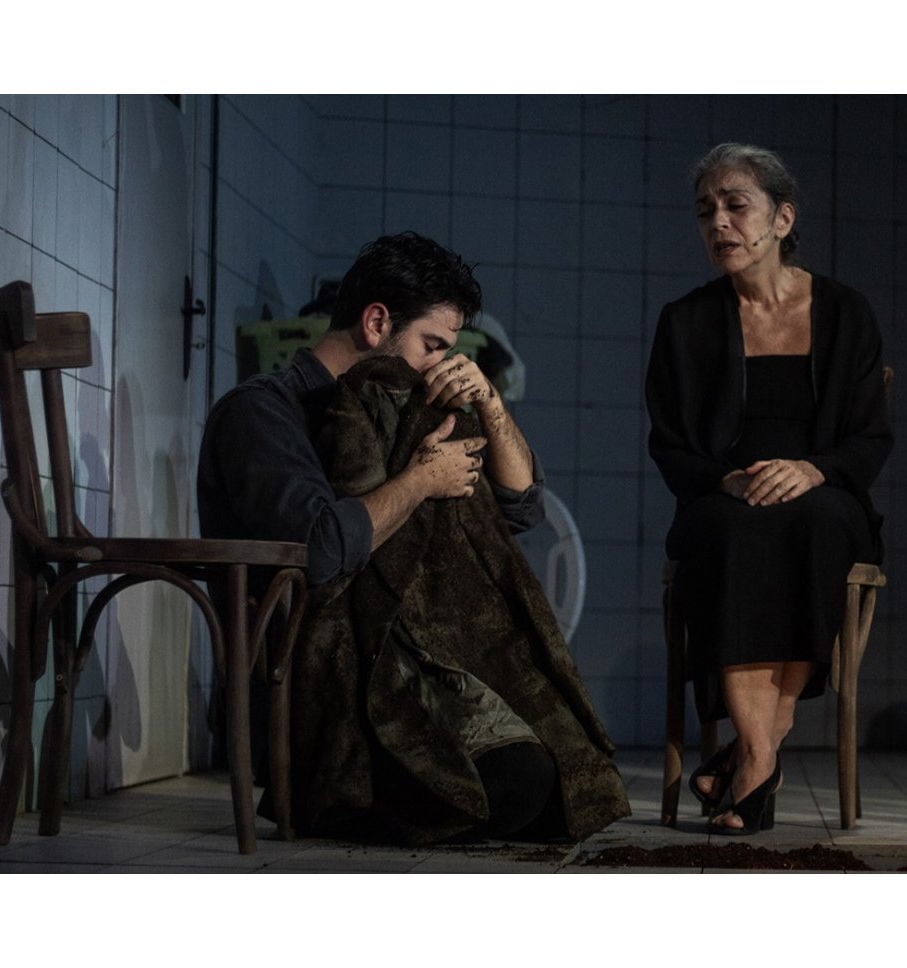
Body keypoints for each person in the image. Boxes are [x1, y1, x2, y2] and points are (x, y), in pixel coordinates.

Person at [198, 232, 629, 844]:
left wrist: (490, 403)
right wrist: (423, 480)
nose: (440, 365)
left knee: (550, 777)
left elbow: (521, 507)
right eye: (433, 345)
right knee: (511, 788)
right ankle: (339, 801)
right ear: (376, 322)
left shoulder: (400, 413)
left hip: (409, 663)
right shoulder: (263, 413)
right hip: (319, 685)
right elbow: (321, 549)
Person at [645, 144, 892, 834]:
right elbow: (669, 444)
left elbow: (870, 438)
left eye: (735, 205)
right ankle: (758, 758)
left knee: (813, 522)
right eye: (706, 211)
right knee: (733, 527)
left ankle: (750, 759)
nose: (718, 222)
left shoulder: (846, 314)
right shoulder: (686, 321)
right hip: (721, 497)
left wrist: (813, 469)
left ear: (782, 218)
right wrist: (724, 477)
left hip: (826, 492)